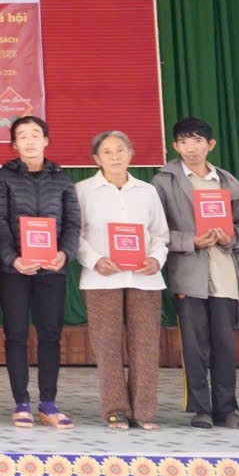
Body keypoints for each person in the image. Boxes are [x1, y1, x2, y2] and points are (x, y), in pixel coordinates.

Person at [152, 117, 239, 429]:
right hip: (189, 276)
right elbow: (155, 230)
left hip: (226, 274)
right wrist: (191, 241)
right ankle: (200, 409)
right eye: (184, 141)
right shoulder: (164, 182)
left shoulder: (226, 181)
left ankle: (227, 409)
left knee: (225, 346)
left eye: (198, 141)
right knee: (194, 346)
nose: (191, 148)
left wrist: (231, 237)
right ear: (175, 146)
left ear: (210, 145)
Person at [76, 130, 169, 430]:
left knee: (146, 346)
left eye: (120, 150)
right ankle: (115, 409)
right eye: (107, 152)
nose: (115, 156)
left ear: (131, 155)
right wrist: (94, 260)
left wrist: (156, 259)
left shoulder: (147, 191)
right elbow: (75, 235)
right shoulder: (83, 191)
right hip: (101, 278)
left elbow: (160, 234)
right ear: (96, 159)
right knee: (107, 346)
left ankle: (144, 411)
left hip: (145, 278)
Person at [0, 116, 80, 429]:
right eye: (22, 136)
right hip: (14, 270)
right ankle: (21, 403)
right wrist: (12, 259)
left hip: (52, 269)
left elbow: (73, 223)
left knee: (50, 335)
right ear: (14, 144)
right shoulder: (4, 177)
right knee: (16, 334)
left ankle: (48, 403)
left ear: (46, 140)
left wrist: (64, 254)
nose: (29, 140)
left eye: (35, 134)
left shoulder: (63, 178)